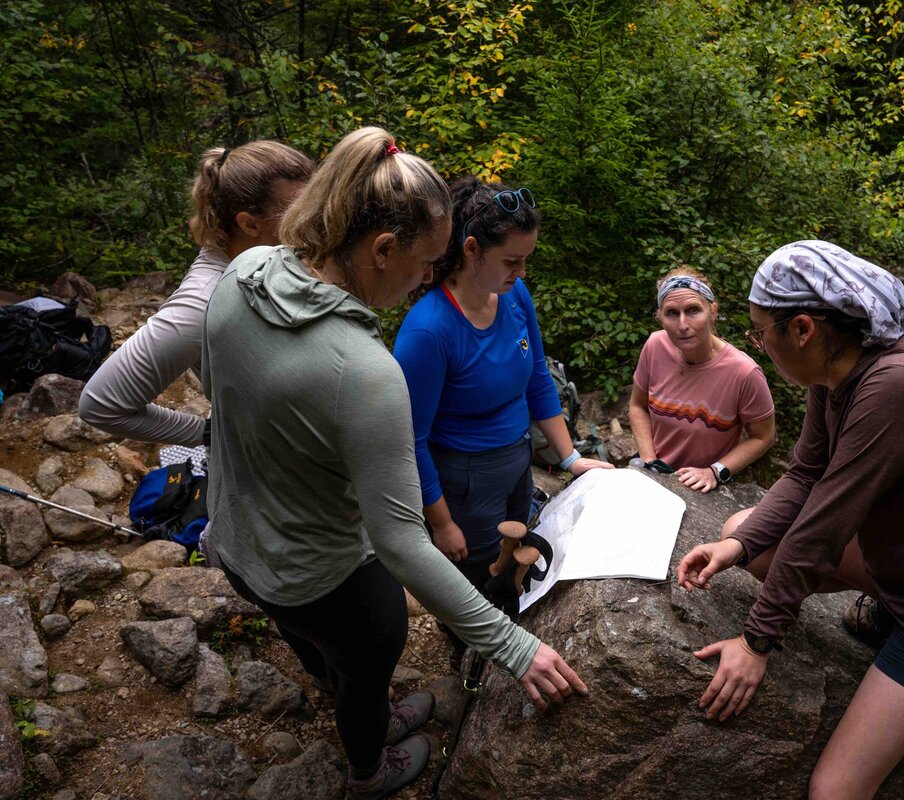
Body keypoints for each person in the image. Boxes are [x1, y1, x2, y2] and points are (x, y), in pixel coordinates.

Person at [201, 129, 588, 799]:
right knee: (364, 661)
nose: (427, 280)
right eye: (425, 263)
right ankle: (367, 769)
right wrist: (516, 648)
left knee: (336, 660)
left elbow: (224, 398)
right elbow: (402, 544)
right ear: (382, 250)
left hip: (236, 542)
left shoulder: (245, 273)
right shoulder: (364, 371)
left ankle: (370, 707)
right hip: (325, 573)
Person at [675, 240, 904, 799]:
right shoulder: (838, 368)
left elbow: (824, 525)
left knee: (834, 790)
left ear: (804, 330)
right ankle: (886, 605)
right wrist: (739, 550)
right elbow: (806, 473)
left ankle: (902, 623)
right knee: (741, 532)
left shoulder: (897, 386)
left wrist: (756, 642)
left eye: (760, 332)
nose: (758, 346)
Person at [392, 177, 611, 597]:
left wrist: (570, 459)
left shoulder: (514, 294)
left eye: (526, 260)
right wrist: (440, 522)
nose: (523, 272)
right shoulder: (429, 331)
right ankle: (474, 653)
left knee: (515, 555)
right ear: (471, 249)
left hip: (518, 461)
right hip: (464, 480)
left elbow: (537, 377)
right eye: (512, 261)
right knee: (478, 576)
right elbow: (410, 440)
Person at [80, 141, 314, 443]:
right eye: (298, 209)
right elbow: (101, 405)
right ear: (249, 223)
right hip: (261, 475)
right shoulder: (204, 301)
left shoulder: (269, 257)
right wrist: (213, 435)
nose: (314, 218)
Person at [628, 267, 775, 492]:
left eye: (693, 310)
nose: (683, 324)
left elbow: (763, 436)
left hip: (703, 483)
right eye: (672, 313)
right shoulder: (655, 347)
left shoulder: (744, 373)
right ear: (660, 317)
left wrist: (716, 471)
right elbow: (638, 405)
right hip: (654, 468)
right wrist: (650, 463)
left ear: (712, 311)